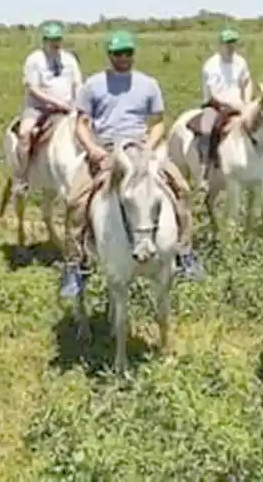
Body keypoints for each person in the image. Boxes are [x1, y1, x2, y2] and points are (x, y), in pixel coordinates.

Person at [59, 30, 202, 298]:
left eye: (127, 53)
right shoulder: (93, 85)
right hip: (106, 149)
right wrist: (92, 149)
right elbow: (81, 124)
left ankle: (185, 251)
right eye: (117, 54)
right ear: (109, 55)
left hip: (140, 147)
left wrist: (149, 147)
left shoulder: (148, 84)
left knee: (181, 189)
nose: (122, 58)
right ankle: (76, 265)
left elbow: (158, 122)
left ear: (134, 55)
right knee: (76, 201)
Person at [12, 20, 83, 194]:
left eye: (58, 39)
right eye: (51, 40)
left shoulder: (69, 59)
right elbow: (33, 89)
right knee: (25, 133)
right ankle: (22, 177)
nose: (55, 43)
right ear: (44, 41)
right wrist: (56, 102)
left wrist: (78, 104)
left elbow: (78, 84)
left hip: (68, 108)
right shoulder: (34, 60)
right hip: (38, 108)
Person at [192, 27, 253, 178]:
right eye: (227, 43)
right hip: (215, 105)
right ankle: (205, 168)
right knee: (207, 129)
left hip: (239, 105)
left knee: (259, 125)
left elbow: (246, 82)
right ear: (220, 45)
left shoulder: (240, 62)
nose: (231, 46)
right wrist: (232, 104)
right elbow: (214, 93)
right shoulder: (211, 65)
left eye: (233, 42)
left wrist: (246, 102)